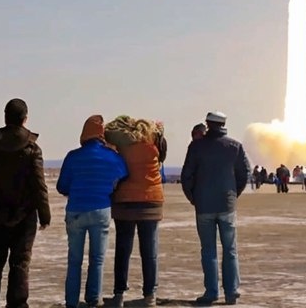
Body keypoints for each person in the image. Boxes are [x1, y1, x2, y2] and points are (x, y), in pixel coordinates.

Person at [0, 99, 51, 308]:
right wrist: (45, 215)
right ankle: (17, 305)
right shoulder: (32, 149)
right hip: (24, 215)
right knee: (20, 263)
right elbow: (39, 185)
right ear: (25, 119)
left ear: (5, 117)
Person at [56, 115, 128, 308]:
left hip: (76, 210)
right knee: (97, 259)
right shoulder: (112, 157)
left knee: (74, 260)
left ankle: (71, 302)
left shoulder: (73, 156)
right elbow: (123, 174)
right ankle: (93, 299)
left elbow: (62, 186)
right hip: (101, 208)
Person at [181, 111, 251, 306]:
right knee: (230, 249)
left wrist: (193, 197)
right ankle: (231, 292)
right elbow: (244, 174)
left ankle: (211, 292)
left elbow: (187, 175)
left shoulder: (196, 147)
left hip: (204, 206)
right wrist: (233, 194)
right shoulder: (235, 146)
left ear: (208, 124)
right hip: (227, 205)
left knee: (208, 250)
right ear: (223, 124)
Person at [104, 116, 167, 307]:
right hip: (151, 200)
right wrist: (160, 132)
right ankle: (150, 295)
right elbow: (162, 155)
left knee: (123, 249)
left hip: (126, 200)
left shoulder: (121, 145)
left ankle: (119, 294)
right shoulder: (154, 143)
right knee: (149, 251)